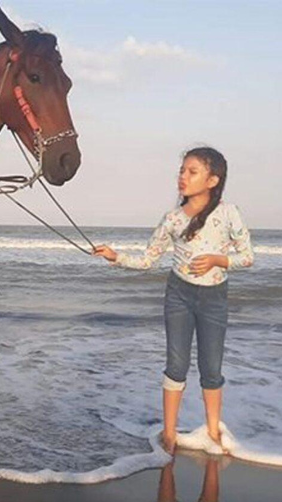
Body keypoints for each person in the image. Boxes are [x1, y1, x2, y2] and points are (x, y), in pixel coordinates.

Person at [93, 147, 254, 456]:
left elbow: (247, 257)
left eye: (192, 171)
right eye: (182, 170)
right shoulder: (172, 219)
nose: (182, 177)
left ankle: (212, 432)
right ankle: (168, 434)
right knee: (176, 365)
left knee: (211, 367)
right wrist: (115, 257)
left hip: (214, 297)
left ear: (212, 179)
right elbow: (147, 260)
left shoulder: (228, 212)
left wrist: (219, 260)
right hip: (178, 294)